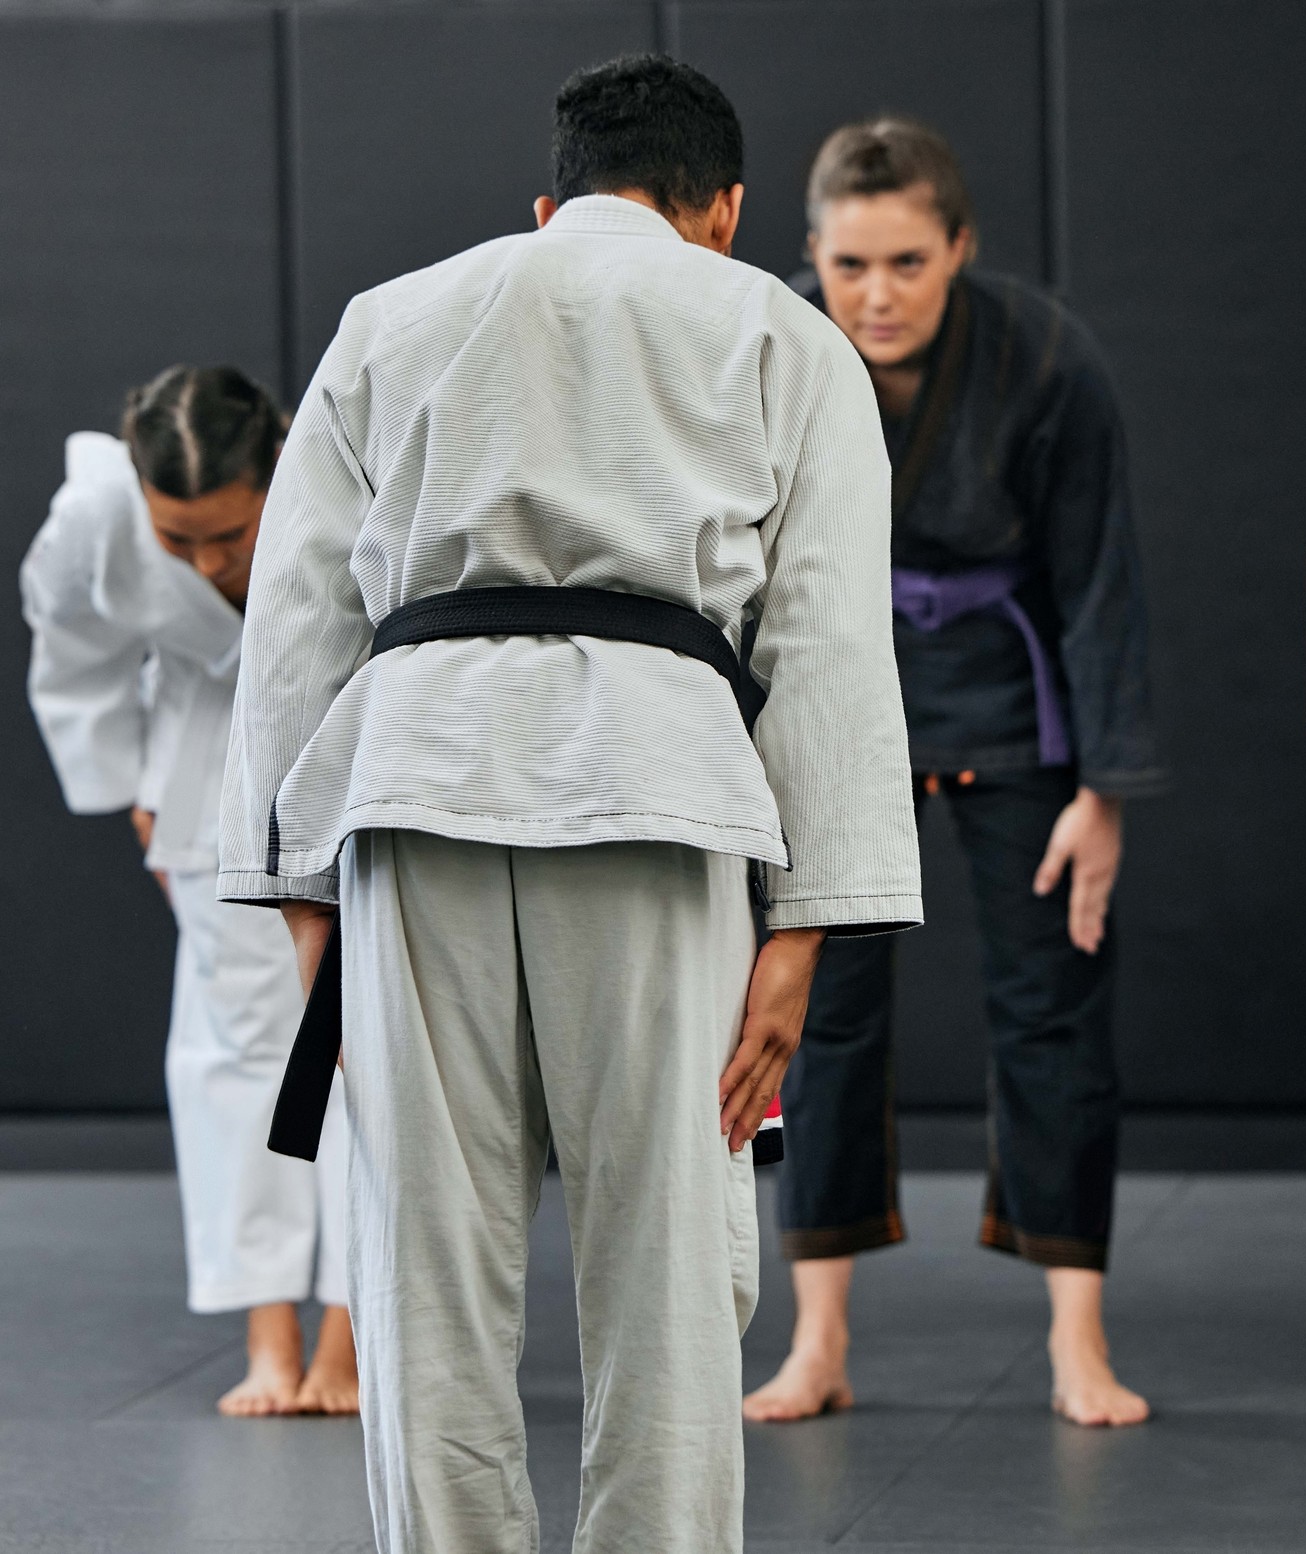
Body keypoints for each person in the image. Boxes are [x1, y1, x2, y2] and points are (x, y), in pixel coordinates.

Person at [217, 54, 919, 1554]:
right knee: (664, 1257)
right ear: (723, 210)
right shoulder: (782, 336)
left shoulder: (390, 321)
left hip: (413, 790)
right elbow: (829, 643)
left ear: (546, 204)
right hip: (656, 797)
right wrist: (801, 935)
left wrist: (296, 893)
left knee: (424, 1264)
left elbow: (293, 628)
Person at [743, 118, 1164, 1431]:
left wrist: (1104, 787)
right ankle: (814, 1338)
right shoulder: (768, 353)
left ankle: (1076, 1339)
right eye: (853, 263)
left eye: (909, 262)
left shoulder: (1045, 357)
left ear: (960, 249)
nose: (878, 294)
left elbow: (1101, 580)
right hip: (830, 707)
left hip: (1010, 703)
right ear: (810, 250)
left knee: (1055, 1011)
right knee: (815, 1019)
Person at [20, 366, 356, 1417]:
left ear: (273, 479)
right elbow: (70, 643)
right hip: (203, 769)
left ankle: (351, 1334)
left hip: (347, 754)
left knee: (366, 1047)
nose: (210, 563)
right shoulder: (95, 514)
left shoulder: (341, 468)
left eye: (233, 536)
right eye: (182, 543)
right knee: (238, 1050)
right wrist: (123, 778)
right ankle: (268, 1336)